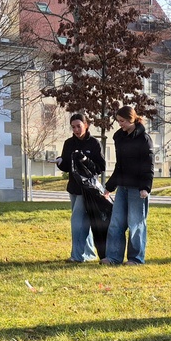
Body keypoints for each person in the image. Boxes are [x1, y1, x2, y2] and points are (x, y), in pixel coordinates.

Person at [101, 105, 154, 266]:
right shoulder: (119, 138)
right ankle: (113, 258)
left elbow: (148, 165)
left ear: (132, 119)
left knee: (135, 224)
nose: (120, 124)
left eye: (123, 121)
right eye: (118, 121)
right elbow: (120, 165)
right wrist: (109, 187)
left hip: (138, 189)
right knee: (116, 223)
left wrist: (145, 187)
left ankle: (136, 259)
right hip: (123, 187)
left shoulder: (144, 139)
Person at [55, 113, 105, 262]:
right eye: (73, 127)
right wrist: (59, 161)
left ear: (86, 125)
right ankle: (88, 254)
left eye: (79, 126)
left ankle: (77, 256)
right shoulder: (69, 143)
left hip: (88, 189)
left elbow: (100, 167)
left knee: (77, 222)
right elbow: (66, 167)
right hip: (73, 188)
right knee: (83, 223)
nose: (76, 130)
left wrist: (85, 159)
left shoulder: (94, 143)